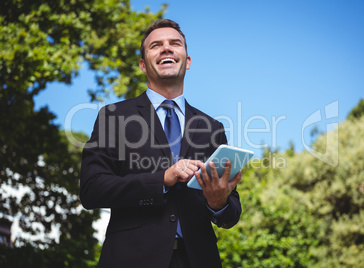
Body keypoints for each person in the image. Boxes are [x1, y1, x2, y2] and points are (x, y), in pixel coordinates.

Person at [80, 19, 242, 268]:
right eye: (156, 45)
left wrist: (218, 201)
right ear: (143, 65)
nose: (166, 48)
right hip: (131, 259)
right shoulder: (114, 116)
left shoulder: (212, 128)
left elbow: (230, 214)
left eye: (174, 43)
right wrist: (162, 179)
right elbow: (92, 189)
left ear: (187, 61)